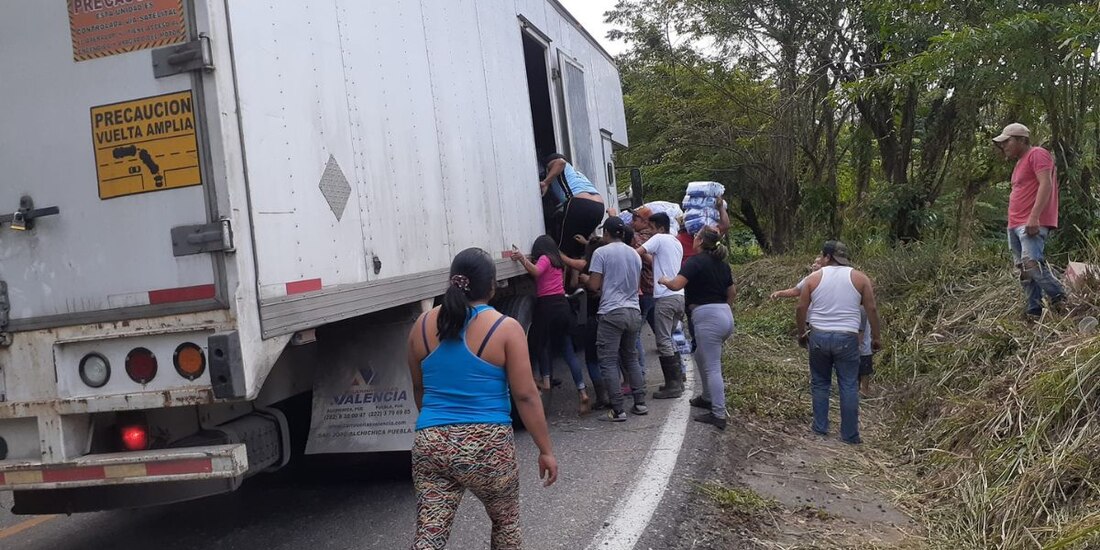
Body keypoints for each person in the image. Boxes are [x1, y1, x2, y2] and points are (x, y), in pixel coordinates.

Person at [407, 248, 558, 549]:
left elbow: (419, 388)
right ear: (491, 286)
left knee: (429, 535)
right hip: (487, 445)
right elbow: (526, 395)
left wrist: (442, 432)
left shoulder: (421, 326)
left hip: (431, 442)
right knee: (505, 524)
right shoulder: (505, 328)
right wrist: (546, 450)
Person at [796, 241, 881, 445]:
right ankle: (850, 435)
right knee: (849, 385)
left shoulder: (813, 278)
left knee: (820, 382)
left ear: (826, 257)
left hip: (819, 336)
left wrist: (802, 333)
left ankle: (820, 427)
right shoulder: (861, 278)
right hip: (847, 337)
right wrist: (877, 337)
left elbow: (800, 308)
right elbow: (871, 309)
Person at [660, 227, 735, 429]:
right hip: (724, 314)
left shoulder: (694, 262)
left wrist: (664, 279)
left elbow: (676, 285)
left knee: (712, 366)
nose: (693, 239)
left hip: (707, 317)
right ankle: (708, 397)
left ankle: (718, 413)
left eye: (696, 236)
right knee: (701, 356)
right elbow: (732, 292)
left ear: (700, 241)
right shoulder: (722, 264)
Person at [992, 123, 1066, 318]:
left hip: (1030, 222)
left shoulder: (1038, 154)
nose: (1004, 146)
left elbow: (1046, 184)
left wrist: (1034, 217)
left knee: (1031, 263)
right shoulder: (1019, 163)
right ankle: (1034, 310)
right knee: (1024, 271)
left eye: (1007, 141)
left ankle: (1061, 297)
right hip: (1015, 224)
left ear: (1021, 140)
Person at [510, 235, 590, 413]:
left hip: (547, 306)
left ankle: (545, 382)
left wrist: (522, 259)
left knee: (542, 344)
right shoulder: (558, 263)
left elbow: (536, 272)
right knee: (568, 350)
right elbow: (557, 283)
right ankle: (582, 391)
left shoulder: (545, 259)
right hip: (563, 305)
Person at [580, 216, 647, 421]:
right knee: (630, 357)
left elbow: (594, 285)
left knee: (608, 361)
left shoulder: (601, 252)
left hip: (612, 312)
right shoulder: (635, 255)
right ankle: (640, 403)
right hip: (633, 310)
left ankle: (618, 410)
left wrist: (585, 279)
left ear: (606, 233)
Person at [639, 212, 686, 399]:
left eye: (650, 228)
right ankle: (677, 379)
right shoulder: (675, 242)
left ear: (660, 228)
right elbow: (657, 262)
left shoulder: (658, 238)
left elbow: (637, 254)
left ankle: (673, 385)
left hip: (665, 297)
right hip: (679, 297)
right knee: (669, 338)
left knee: (663, 340)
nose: (648, 232)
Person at [541, 154, 604, 259]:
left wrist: (545, 182)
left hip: (581, 203)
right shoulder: (577, 174)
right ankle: (575, 275)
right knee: (577, 247)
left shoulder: (562, 166)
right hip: (599, 207)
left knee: (563, 247)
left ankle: (560, 274)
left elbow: (560, 162)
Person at [677, 196, 730, 267]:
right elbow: (724, 226)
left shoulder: (708, 235)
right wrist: (721, 208)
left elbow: (724, 227)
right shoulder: (708, 236)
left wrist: (720, 207)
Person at [858, 306, 874, 396]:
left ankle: (864, 390)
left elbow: (860, 331)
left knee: (864, 372)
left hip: (862, 349)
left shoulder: (862, 309)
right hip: (861, 348)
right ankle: (862, 390)